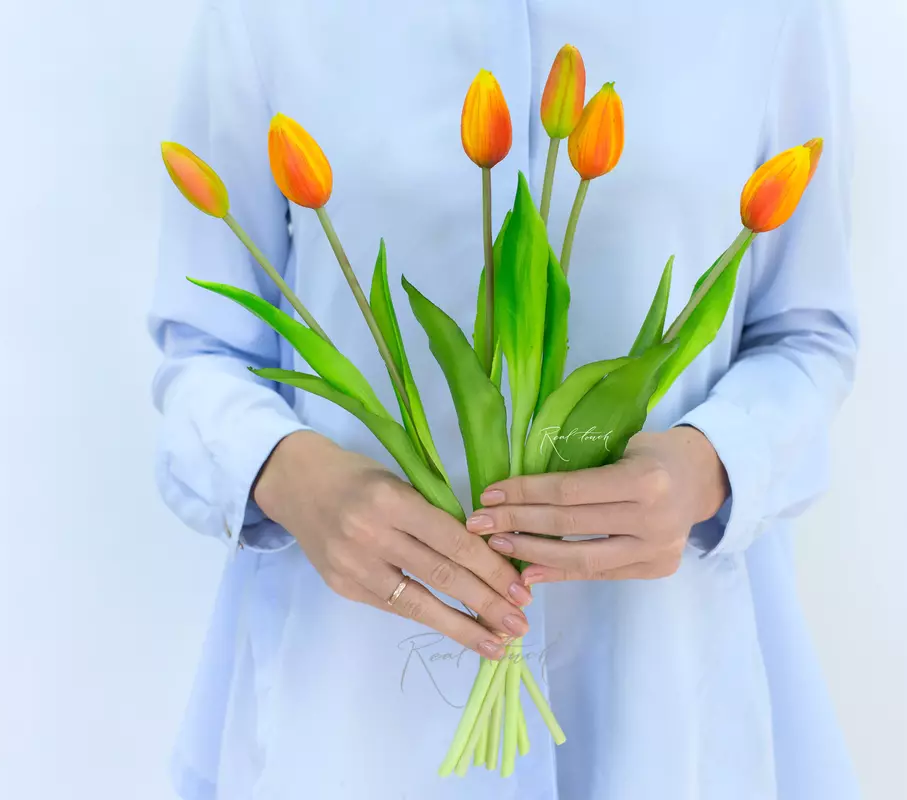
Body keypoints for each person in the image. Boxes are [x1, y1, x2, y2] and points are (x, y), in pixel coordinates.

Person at [149, 0, 859, 797]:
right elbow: (202, 350)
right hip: (353, 695)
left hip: (658, 685)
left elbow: (808, 333)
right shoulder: (268, 16)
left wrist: (713, 466)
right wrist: (288, 476)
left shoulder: (770, 16)